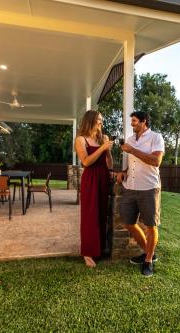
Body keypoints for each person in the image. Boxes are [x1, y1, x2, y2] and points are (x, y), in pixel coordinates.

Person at [116, 111, 164, 277]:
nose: (132, 124)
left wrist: (133, 150)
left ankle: (148, 260)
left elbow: (156, 161)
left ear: (144, 122)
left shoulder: (156, 138)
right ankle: (148, 251)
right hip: (130, 187)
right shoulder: (130, 140)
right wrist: (123, 171)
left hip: (149, 188)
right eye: (132, 121)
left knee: (151, 225)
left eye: (135, 121)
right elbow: (133, 163)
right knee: (128, 222)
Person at [74, 110, 114, 268]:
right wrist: (102, 147)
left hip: (103, 179)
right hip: (90, 180)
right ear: (90, 120)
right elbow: (86, 162)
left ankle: (99, 249)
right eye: (98, 120)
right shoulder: (80, 139)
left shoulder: (100, 140)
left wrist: (107, 149)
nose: (101, 123)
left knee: (101, 214)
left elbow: (109, 164)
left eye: (102, 120)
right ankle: (87, 252)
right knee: (90, 215)